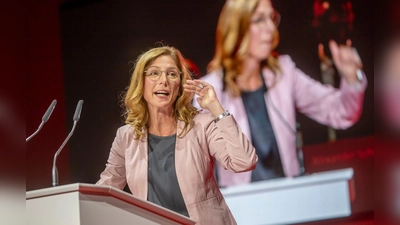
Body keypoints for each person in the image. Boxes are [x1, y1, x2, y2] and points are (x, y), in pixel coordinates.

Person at [194, 0, 367, 187]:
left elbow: (341, 111)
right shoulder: (211, 91)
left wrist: (352, 79)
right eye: (259, 20)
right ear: (237, 27)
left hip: (289, 201)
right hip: (240, 209)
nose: (270, 27)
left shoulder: (284, 74)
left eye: (271, 18)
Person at [96, 46, 257, 224]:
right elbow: (106, 189)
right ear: (141, 83)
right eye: (154, 73)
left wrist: (215, 107)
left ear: (180, 85)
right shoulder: (126, 136)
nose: (163, 81)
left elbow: (244, 162)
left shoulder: (201, 125)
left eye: (172, 74)